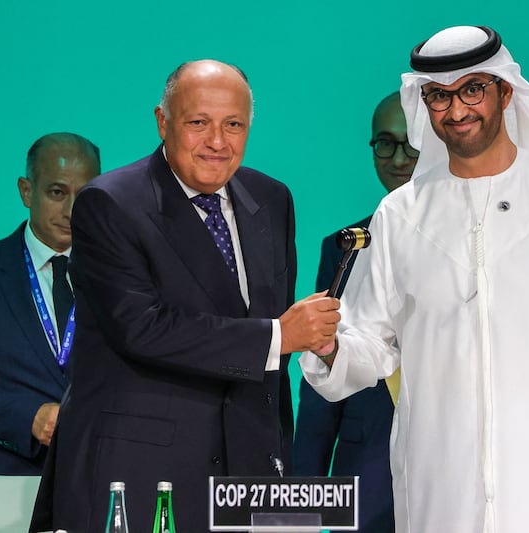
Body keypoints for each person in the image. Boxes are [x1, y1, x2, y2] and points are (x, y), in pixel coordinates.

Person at [300, 25, 529, 533]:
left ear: (505, 91)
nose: (457, 110)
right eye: (439, 96)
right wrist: (329, 348)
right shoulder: (401, 213)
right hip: (439, 488)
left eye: (472, 89)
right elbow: (371, 341)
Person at [29, 60, 340, 533]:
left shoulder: (272, 198)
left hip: (252, 471)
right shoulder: (110, 203)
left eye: (233, 124)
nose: (218, 141)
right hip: (143, 473)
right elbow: (143, 327)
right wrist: (277, 336)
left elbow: (270, 361)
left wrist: (282, 476)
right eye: (198, 123)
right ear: (162, 121)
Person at [293, 91, 417, 533]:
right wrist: (299, 501)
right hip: (366, 473)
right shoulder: (345, 246)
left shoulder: (478, 234)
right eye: (385, 143)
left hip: (455, 466)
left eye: (411, 142)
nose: (399, 157)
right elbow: (321, 375)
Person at [0, 132, 100, 532]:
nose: (72, 210)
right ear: (27, 191)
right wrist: (29, 417)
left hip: (100, 479)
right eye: (57, 192)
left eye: (85, 194)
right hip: (7, 486)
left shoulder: (120, 277)